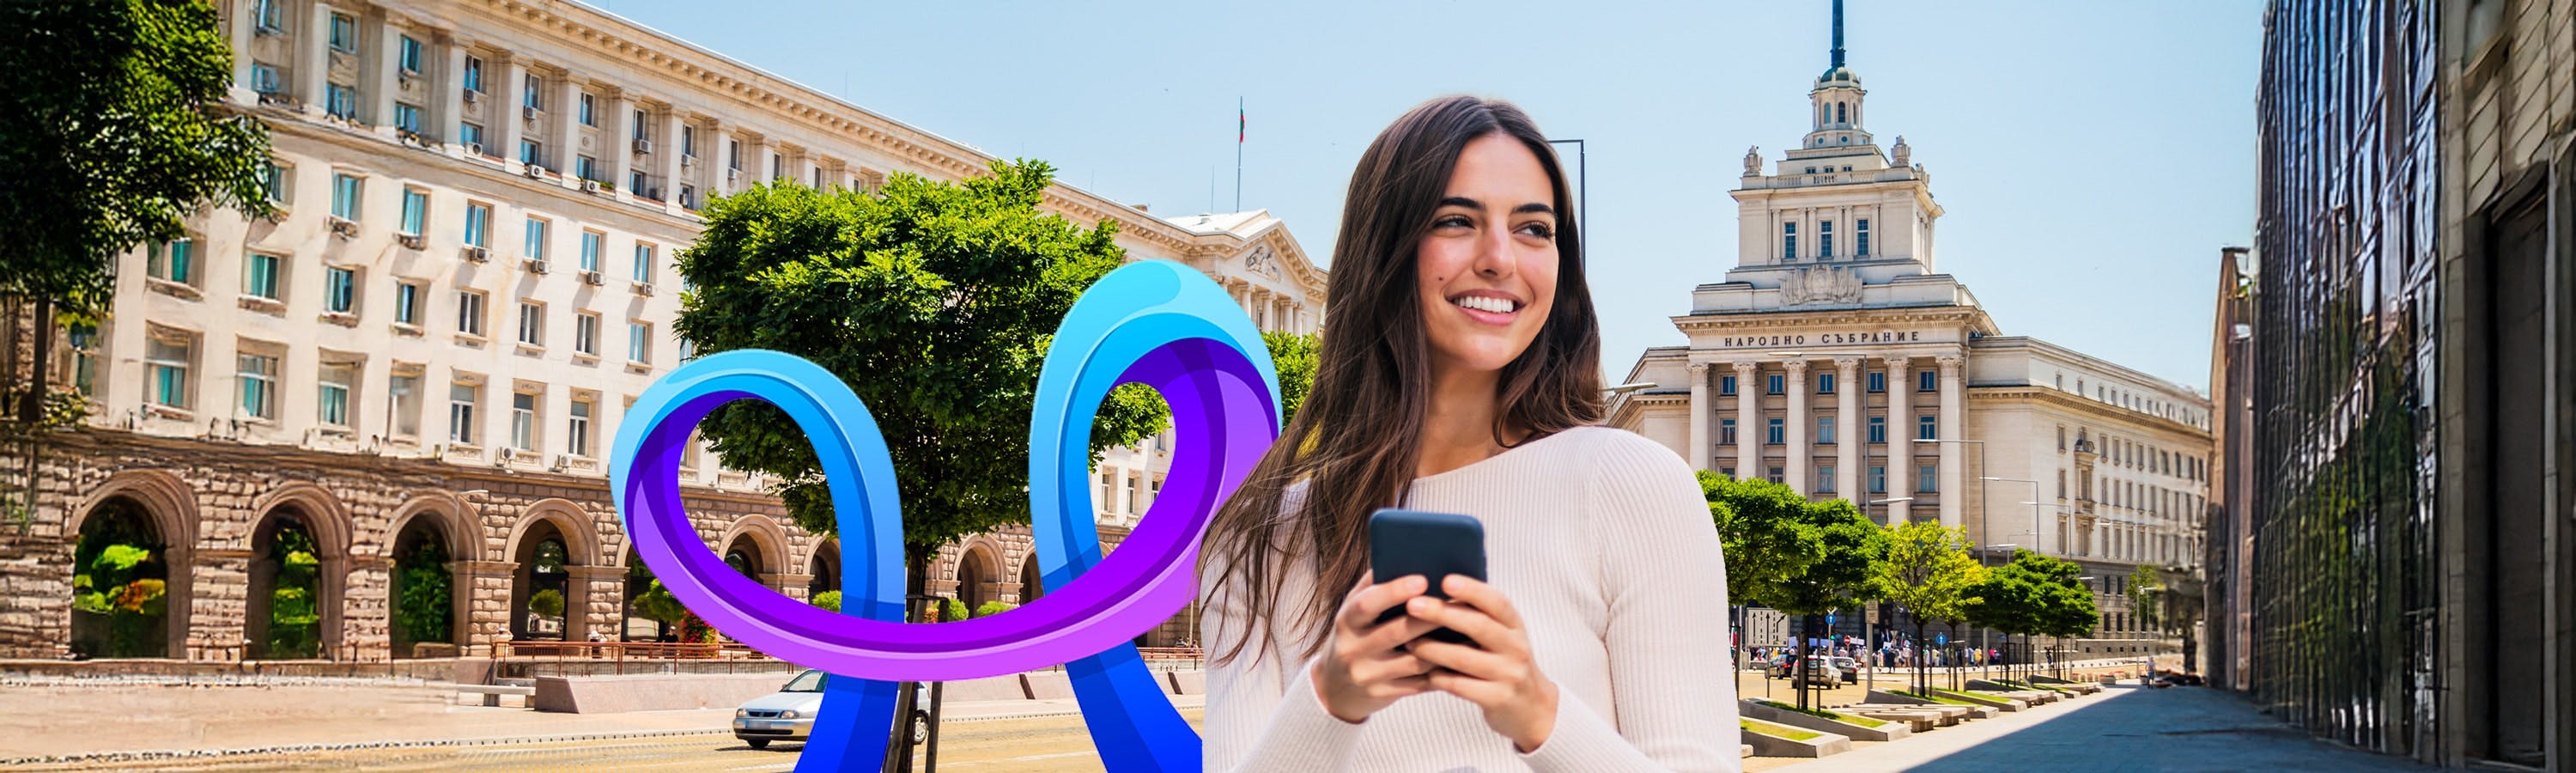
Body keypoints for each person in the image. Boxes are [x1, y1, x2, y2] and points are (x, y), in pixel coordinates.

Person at [1198, 95, 1739, 771]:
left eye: (1534, 229)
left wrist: (1540, 714)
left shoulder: (1632, 485)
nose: (1499, 258)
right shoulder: (1261, 539)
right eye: (1457, 221)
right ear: (1384, 248)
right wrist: (1330, 700)